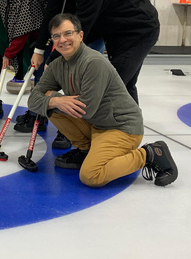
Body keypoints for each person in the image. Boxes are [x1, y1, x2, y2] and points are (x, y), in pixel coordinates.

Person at [27, 14, 178, 187]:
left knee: (91, 176)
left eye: (68, 33)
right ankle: (87, 150)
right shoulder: (57, 65)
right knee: (51, 107)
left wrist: (51, 97)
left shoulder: (93, 62)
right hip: (96, 125)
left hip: (121, 128)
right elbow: (33, 100)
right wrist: (56, 101)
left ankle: (149, 154)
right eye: (56, 36)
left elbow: (86, 110)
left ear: (80, 35)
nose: (63, 40)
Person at [56, 0, 159, 104]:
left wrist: (55, 58)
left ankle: (118, 126)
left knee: (111, 86)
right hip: (119, 33)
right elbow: (76, 16)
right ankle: (130, 127)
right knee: (125, 84)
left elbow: (81, 25)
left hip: (138, 31)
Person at [13, 0, 70, 148]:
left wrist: (40, 48)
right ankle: (40, 115)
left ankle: (68, 129)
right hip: (63, 33)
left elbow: (53, 13)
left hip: (73, 35)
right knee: (44, 75)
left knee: (65, 79)